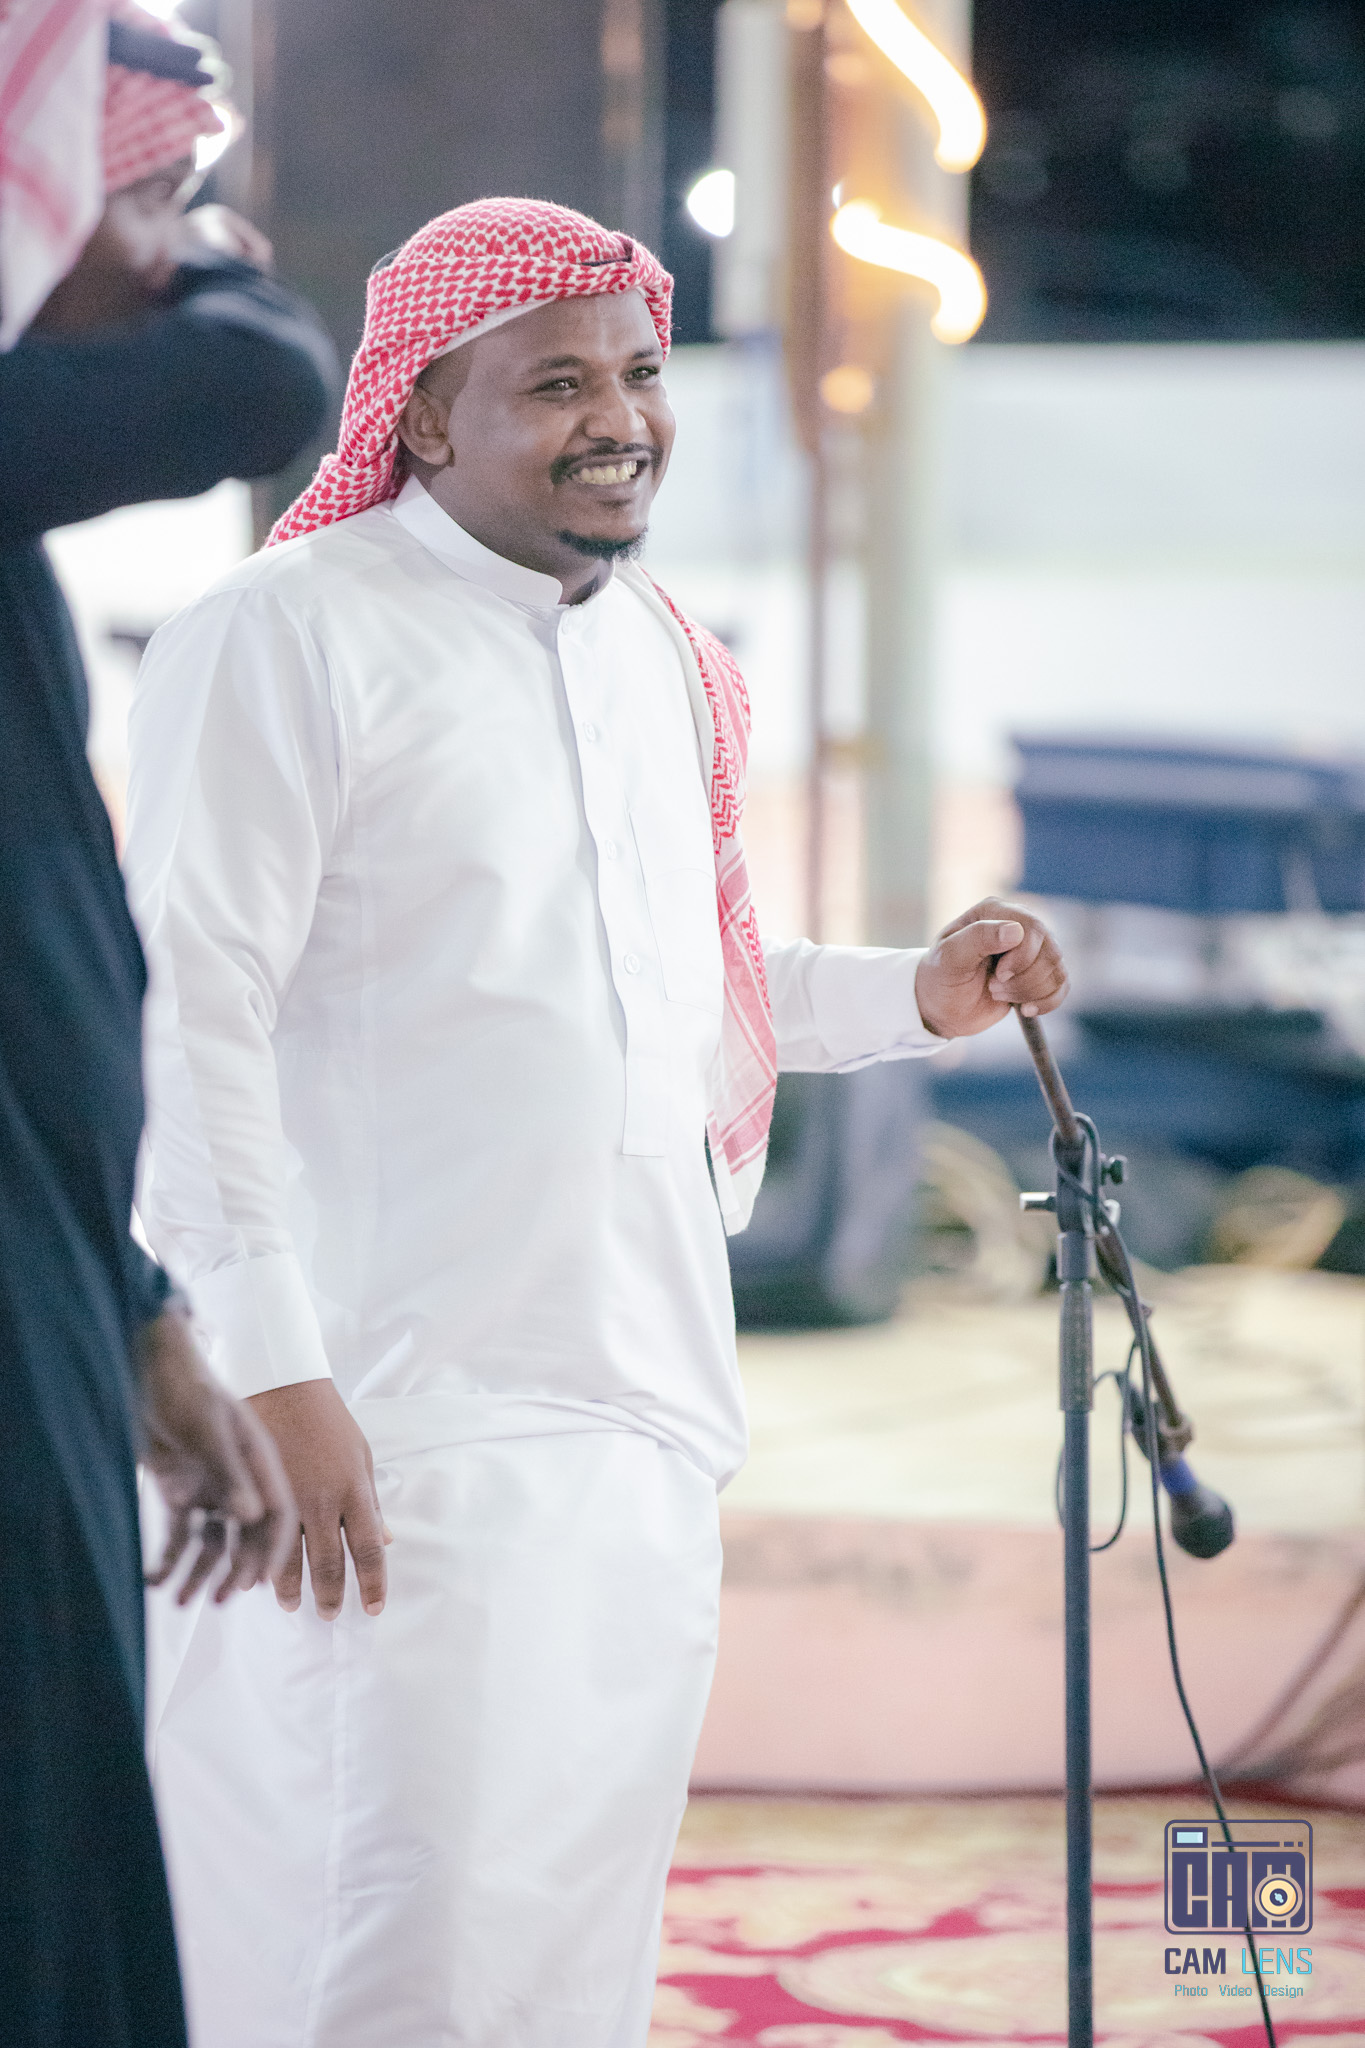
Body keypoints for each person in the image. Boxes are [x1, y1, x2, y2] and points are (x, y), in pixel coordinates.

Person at [126, 197, 1069, 2048]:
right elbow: (188, 1018)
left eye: (637, 373)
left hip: (639, 1411)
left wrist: (913, 993)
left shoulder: (661, 657)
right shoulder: (284, 635)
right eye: (555, 383)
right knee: (370, 1943)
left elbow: (677, 989)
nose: (618, 419)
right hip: (386, 1416)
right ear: (419, 412)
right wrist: (274, 1369)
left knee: (567, 1948)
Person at [0, 11, 338, 2045]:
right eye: (133, 193)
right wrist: (206, 261)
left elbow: (41, 963)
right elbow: (264, 371)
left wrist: (131, 1318)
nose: (164, 247)